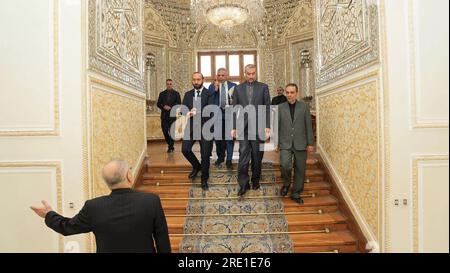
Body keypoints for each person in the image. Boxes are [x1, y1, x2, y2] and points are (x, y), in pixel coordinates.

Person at [30, 159, 171, 253]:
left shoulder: (94, 207)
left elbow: (67, 227)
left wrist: (48, 214)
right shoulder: (151, 201)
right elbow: (162, 240)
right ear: (129, 176)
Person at [231, 64, 271, 197]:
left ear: (256, 73)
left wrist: (267, 126)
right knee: (243, 155)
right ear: (244, 73)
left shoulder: (263, 87)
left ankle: (255, 180)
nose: (251, 76)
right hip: (243, 128)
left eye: (253, 73)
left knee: (257, 155)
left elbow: (267, 107)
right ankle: (243, 184)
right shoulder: (237, 88)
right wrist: (234, 127)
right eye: (248, 74)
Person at [277, 84, 314, 204]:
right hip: (285, 142)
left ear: (296, 93)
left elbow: (308, 125)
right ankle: (286, 184)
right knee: (285, 164)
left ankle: (296, 192)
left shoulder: (304, 107)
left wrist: (310, 143)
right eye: (287, 92)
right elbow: (277, 126)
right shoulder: (280, 107)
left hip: (301, 142)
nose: (289, 95)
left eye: (292, 92)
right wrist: (276, 142)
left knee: (300, 168)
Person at [181, 72, 215, 191]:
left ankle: (204, 179)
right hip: (191, 127)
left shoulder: (209, 94)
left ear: (203, 80)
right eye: (194, 79)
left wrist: (197, 111)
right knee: (185, 149)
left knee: (205, 155)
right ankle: (197, 166)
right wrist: (187, 112)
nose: (196, 82)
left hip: (206, 128)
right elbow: (183, 109)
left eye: (198, 79)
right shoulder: (187, 94)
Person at [208, 68, 237, 169]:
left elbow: (237, 101)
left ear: (227, 75)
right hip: (217, 115)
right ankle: (220, 157)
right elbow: (209, 101)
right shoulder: (211, 86)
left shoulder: (233, 86)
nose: (220, 77)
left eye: (222, 75)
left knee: (229, 138)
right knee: (218, 138)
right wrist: (215, 90)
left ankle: (229, 159)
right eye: (219, 75)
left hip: (229, 114)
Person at [157, 79, 181, 153]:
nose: (169, 85)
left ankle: (170, 147)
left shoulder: (176, 94)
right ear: (166, 84)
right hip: (164, 116)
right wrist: (163, 106)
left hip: (172, 116)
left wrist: (171, 107)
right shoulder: (162, 94)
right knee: (164, 131)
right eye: (168, 84)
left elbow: (179, 104)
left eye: (170, 84)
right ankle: (169, 144)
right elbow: (158, 103)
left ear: (172, 84)